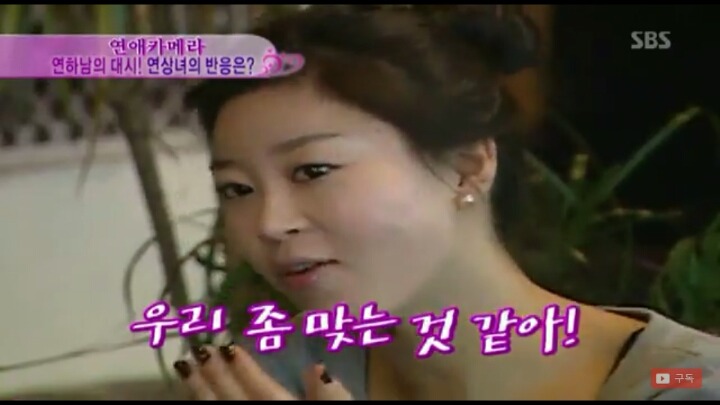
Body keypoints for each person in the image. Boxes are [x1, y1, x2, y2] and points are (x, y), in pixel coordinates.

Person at [176, 5, 720, 400]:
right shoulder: (273, 374)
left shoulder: (684, 380)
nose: (269, 223)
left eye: (314, 170)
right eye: (237, 189)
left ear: (468, 165)